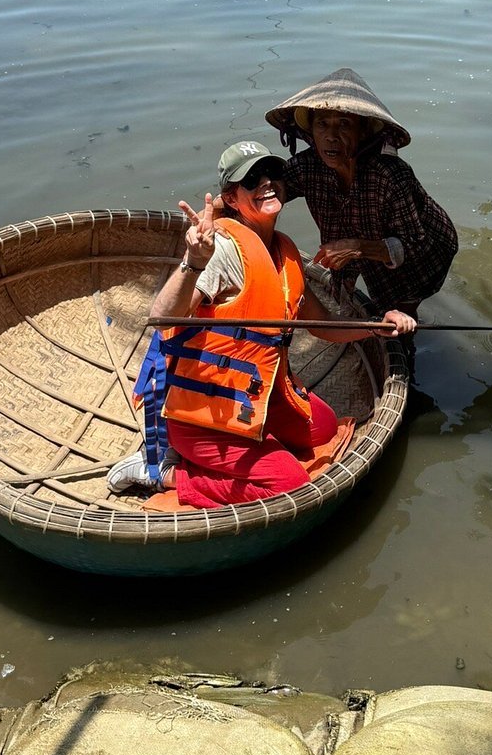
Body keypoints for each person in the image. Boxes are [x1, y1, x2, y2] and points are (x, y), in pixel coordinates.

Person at [109, 141, 415, 508]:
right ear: (231, 198)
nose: (267, 183)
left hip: (256, 397)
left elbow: (322, 324)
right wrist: (194, 261)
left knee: (323, 428)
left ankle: (239, 448)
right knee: (290, 483)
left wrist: (377, 326)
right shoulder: (223, 250)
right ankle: (162, 473)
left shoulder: (284, 252)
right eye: (252, 179)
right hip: (205, 416)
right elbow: (162, 317)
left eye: (272, 173)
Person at [265, 68, 458, 316]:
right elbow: (265, 192)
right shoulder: (307, 166)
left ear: (363, 131)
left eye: (344, 124)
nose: (331, 136)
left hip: (426, 247)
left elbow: (414, 246)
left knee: (401, 307)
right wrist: (224, 207)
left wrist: (358, 247)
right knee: (356, 280)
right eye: (322, 124)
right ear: (311, 130)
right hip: (369, 241)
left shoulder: (389, 175)